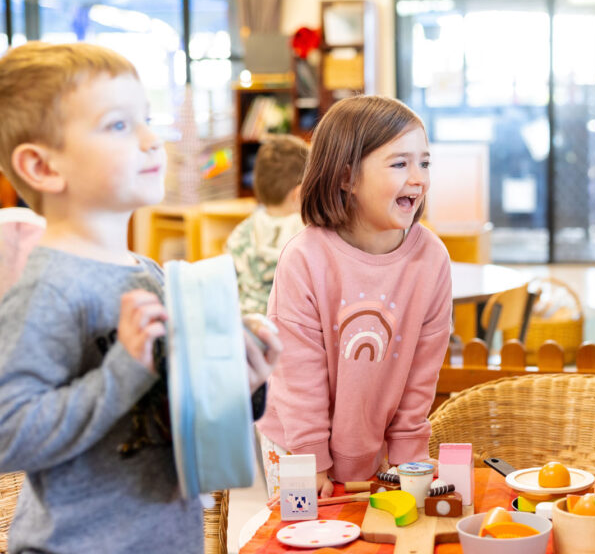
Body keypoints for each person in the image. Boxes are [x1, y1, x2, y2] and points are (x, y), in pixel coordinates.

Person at [0, 42, 282, 553]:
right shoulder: (47, 288)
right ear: (42, 167)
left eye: (147, 119)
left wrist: (241, 381)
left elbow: (175, 415)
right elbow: (7, 434)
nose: (154, 141)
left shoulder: (149, 274)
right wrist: (122, 370)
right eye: (118, 125)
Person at [255, 95, 452, 498]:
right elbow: (298, 376)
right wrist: (311, 461)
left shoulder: (432, 258)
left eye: (425, 163)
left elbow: (421, 373)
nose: (419, 178)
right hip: (296, 444)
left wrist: (408, 453)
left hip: (374, 443)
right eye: (400, 163)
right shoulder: (304, 258)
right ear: (347, 177)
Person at [226, 134, 308, 316]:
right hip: (288, 326)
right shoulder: (309, 235)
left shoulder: (240, 233)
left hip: (248, 326)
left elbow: (228, 286)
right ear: (299, 193)